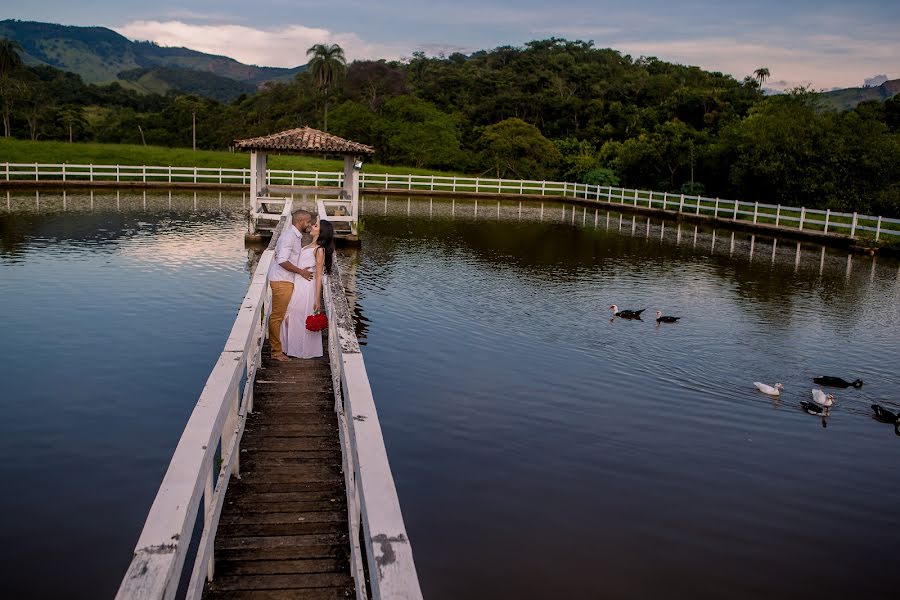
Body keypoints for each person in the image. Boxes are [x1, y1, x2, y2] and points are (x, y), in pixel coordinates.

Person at [281, 219, 335, 359]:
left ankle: (302, 349)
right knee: (290, 314)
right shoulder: (307, 245)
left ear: (321, 231)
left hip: (307, 287)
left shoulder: (319, 250)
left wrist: (317, 298)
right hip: (298, 283)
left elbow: (318, 275)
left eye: (315, 225)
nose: (312, 226)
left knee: (297, 315)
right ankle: (292, 347)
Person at [268, 209, 313, 362]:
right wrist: (301, 271)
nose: (310, 224)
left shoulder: (295, 236)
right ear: (300, 221)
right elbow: (282, 260)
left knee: (283, 314)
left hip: (286, 280)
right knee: (277, 316)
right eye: (308, 221)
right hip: (282, 280)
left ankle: (283, 346)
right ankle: (276, 352)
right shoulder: (289, 237)